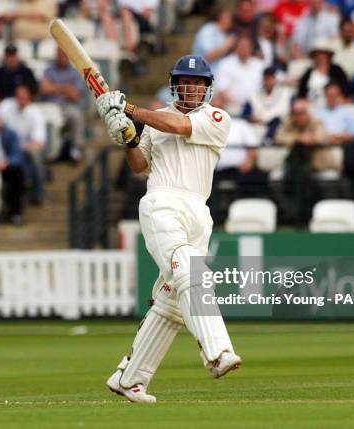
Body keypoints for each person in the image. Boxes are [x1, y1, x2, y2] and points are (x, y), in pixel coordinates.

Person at [95, 55, 241, 403]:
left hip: (198, 211)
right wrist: (129, 139)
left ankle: (129, 379)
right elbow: (139, 166)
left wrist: (128, 109)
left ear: (207, 88)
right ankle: (218, 352)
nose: (191, 88)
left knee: (173, 302)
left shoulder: (216, 118)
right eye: (185, 81)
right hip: (162, 202)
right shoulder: (156, 119)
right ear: (175, 84)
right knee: (191, 271)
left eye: (198, 82)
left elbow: (178, 127)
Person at [0, 84, 47, 205]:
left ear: (30, 98)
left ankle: (38, 194)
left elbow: (39, 143)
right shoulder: (6, 106)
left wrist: (19, 149)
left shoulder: (36, 113)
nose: (20, 100)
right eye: (18, 96)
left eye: (23, 97)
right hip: (6, 148)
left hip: (25, 150)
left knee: (35, 155)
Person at [39, 48, 86, 161]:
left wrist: (53, 88)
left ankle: (76, 149)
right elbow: (43, 89)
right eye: (60, 55)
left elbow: (75, 95)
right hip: (49, 106)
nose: (62, 58)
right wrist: (64, 88)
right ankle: (46, 151)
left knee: (76, 115)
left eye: (64, 55)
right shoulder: (48, 71)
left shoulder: (74, 73)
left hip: (66, 107)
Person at [215, 35, 265, 116]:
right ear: (236, 47)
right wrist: (239, 105)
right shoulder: (226, 63)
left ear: (251, 48)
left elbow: (277, 78)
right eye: (241, 45)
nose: (244, 48)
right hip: (233, 108)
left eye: (246, 46)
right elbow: (222, 90)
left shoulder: (259, 65)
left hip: (258, 107)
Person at [244, 66, 292, 142]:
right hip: (257, 128)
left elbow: (292, 112)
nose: (269, 81)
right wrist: (252, 118)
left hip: (280, 129)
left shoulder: (286, 94)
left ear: (275, 79)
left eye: (271, 78)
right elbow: (245, 115)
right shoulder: (253, 96)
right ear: (263, 79)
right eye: (266, 78)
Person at [297, 39, 350, 107]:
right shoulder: (308, 72)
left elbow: (346, 90)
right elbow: (301, 94)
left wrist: (342, 98)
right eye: (318, 53)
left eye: (323, 53)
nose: (320, 56)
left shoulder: (337, 70)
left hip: (333, 106)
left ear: (328, 55)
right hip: (312, 107)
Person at [191, 5, 235, 76]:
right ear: (220, 17)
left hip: (219, 77)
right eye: (228, 16)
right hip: (203, 76)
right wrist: (227, 45)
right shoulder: (208, 29)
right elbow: (209, 55)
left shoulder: (224, 34)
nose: (231, 19)